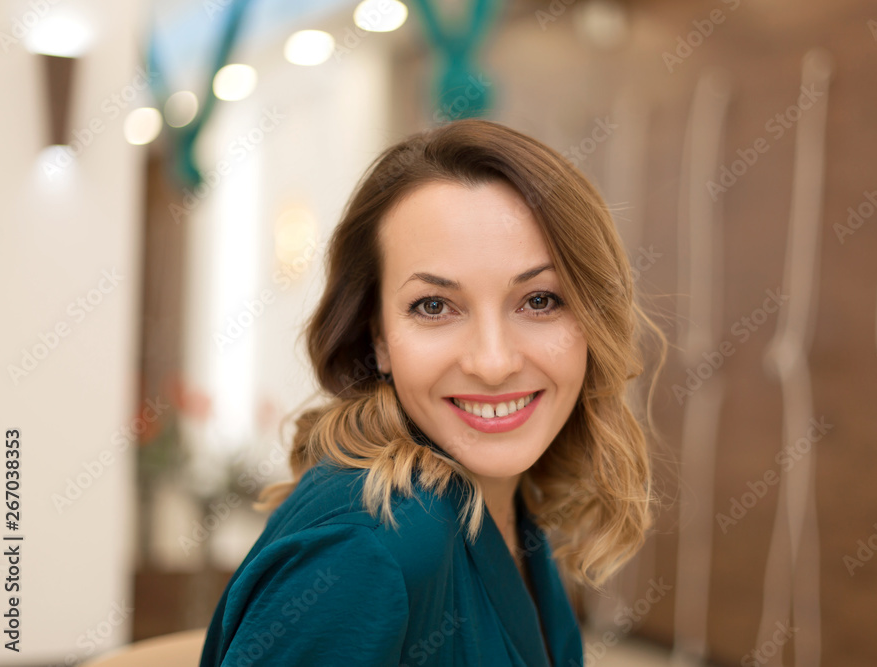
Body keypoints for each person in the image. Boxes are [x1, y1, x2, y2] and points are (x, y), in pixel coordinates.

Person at [199, 118, 666, 666]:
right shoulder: (368, 547)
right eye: (434, 306)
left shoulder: (502, 503)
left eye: (539, 300)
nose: (493, 364)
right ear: (377, 338)